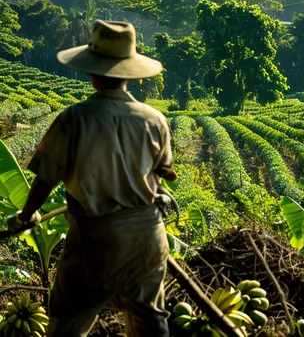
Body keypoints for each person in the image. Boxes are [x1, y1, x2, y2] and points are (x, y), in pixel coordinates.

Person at [6, 20, 177, 337]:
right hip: (148, 238)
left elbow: (46, 179)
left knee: (68, 322)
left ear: (92, 73)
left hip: (98, 239)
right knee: (150, 323)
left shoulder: (75, 118)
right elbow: (160, 173)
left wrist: (26, 216)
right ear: (129, 72)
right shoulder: (156, 120)